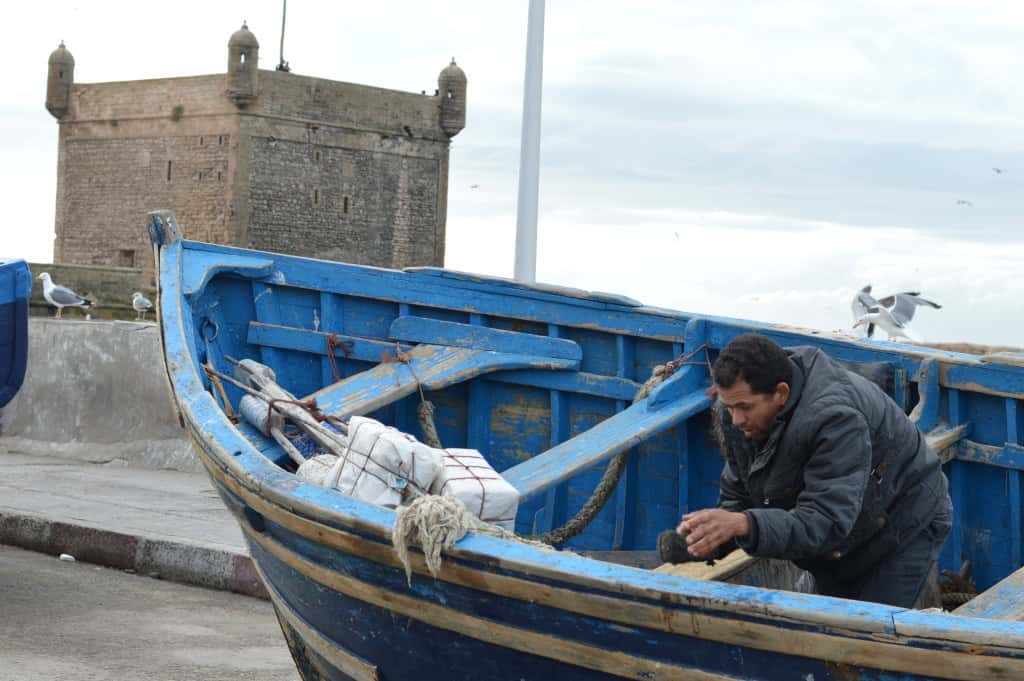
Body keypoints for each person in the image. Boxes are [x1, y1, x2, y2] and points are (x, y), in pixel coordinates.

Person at [659, 333, 952, 607]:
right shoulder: (738, 414)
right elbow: (741, 494)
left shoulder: (835, 419)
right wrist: (709, 541)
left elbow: (827, 521)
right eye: (729, 406)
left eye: (744, 407)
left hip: (902, 521)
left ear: (781, 393)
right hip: (844, 529)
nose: (735, 419)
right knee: (829, 634)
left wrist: (744, 524)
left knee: (867, 641)